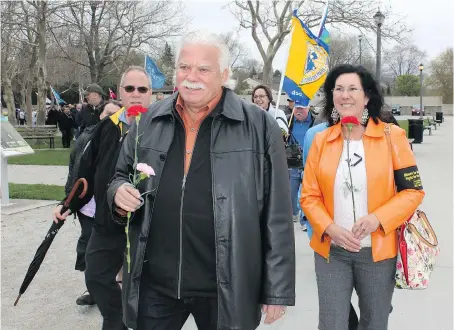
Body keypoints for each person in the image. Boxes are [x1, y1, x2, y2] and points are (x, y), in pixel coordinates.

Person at [107, 31, 295, 330]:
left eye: (203, 69)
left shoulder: (259, 126)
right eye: (184, 67)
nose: (191, 76)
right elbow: (119, 177)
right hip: (156, 283)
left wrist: (277, 290)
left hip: (226, 286)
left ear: (224, 74)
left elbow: (278, 214)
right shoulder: (147, 121)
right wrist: (118, 193)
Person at [301, 64, 424, 330]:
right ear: (332, 96)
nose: (345, 95)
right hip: (331, 252)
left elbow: (413, 191)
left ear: (367, 97)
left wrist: (377, 219)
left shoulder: (393, 137)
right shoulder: (321, 140)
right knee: (332, 324)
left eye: (353, 89)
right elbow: (309, 195)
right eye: (339, 89)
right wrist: (329, 227)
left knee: (374, 323)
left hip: (377, 254)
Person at [53, 66, 152, 330]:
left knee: (151, 288)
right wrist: (69, 205)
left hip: (148, 225)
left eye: (142, 89)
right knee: (96, 275)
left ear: (150, 94)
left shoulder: (162, 127)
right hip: (109, 221)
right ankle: (116, 317)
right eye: (129, 89)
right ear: (120, 93)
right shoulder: (108, 127)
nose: (135, 94)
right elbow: (86, 172)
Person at [57, 100, 122, 306]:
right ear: (100, 115)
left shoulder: (124, 140)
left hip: (110, 208)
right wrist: (66, 203)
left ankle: (115, 285)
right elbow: (75, 173)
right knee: (89, 248)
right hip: (88, 206)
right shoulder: (85, 138)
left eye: (115, 115)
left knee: (113, 250)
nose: (110, 118)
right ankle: (93, 288)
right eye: (107, 114)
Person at [287, 102, 315, 231]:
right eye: (296, 108)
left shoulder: (315, 121)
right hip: (293, 163)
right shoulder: (288, 121)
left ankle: (305, 218)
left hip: (309, 162)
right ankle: (293, 213)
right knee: (292, 192)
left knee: (306, 192)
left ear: (308, 108)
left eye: (302, 108)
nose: (298, 111)